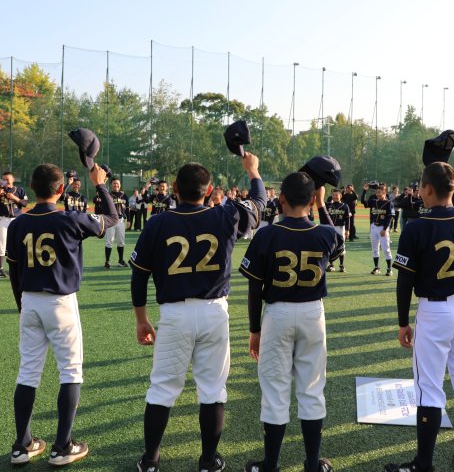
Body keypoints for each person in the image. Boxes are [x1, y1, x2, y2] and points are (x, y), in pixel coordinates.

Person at [130, 154, 265, 472]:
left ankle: (150, 460)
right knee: (213, 389)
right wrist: (253, 172)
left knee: (162, 388)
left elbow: (139, 275)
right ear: (209, 190)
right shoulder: (226, 215)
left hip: (174, 314)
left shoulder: (159, 222)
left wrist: (141, 319)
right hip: (214, 312)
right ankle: (207, 461)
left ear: (174, 188)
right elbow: (258, 204)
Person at [6, 163, 119, 466]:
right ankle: (62, 446)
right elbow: (111, 218)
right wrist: (100, 185)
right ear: (61, 189)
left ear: (31, 187)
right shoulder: (70, 218)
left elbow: (14, 271)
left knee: (28, 372)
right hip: (60, 303)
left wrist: (21, 304)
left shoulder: (17, 223)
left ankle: (22, 445)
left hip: (29, 299)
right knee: (70, 371)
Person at [239, 172, 344, 472]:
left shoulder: (267, 234)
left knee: (275, 390)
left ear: (281, 199)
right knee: (311, 388)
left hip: (278, 313)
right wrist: (322, 206)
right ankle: (312, 463)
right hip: (313, 313)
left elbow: (254, 288)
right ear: (311, 199)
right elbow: (338, 242)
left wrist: (254, 330)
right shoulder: (325, 234)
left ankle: (270, 465)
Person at [384, 162, 454, 472]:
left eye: (422, 187)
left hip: (436, 310)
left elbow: (405, 281)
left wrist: (403, 321)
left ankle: (423, 465)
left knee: (429, 387)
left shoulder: (416, 226)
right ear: (453, 189)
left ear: (427, 188)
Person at [0, 172, 29, 277]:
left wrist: (14, 197)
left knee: (19, 243)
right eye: (3, 179)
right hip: (3, 220)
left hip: (17, 220)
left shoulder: (19, 190)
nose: (5, 181)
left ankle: (20, 266)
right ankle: (0, 269)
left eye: (7, 179)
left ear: (13, 179)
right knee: (1, 244)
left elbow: (25, 204)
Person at [361, 183, 393, 276]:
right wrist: (365, 190)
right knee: (375, 249)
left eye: (380, 192)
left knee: (386, 249)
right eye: (377, 192)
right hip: (374, 227)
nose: (378, 194)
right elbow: (364, 202)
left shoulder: (388, 203)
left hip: (383, 228)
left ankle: (389, 269)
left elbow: (389, 217)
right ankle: (376, 268)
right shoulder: (373, 201)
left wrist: (385, 229)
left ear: (384, 192)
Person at [97, 177, 128, 268]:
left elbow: (128, 209)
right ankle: (107, 262)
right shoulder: (108, 195)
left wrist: (129, 220)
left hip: (121, 220)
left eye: (117, 183)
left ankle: (121, 261)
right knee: (109, 241)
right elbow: (99, 203)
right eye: (114, 183)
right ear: (111, 185)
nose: (116, 185)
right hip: (110, 219)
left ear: (120, 184)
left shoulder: (124, 196)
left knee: (121, 241)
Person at [326, 188, 350, 272]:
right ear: (332, 196)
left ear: (340, 196)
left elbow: (347, 219)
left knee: (341, 246)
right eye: (334, 195)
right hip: (330, 228)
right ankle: (331, 265)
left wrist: (347, 230)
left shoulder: (345, 206)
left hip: (340, 228)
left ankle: (342, 265)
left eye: (337, 195)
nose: (335, 196)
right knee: (331, 246)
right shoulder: (328, 205)